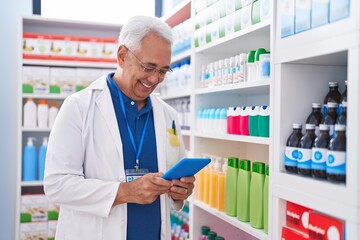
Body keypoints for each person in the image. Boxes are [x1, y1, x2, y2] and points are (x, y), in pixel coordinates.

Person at [44, 15, 195, 240]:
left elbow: (176, 177)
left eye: (163, 71)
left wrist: (180, 191)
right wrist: (124, 192)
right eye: (149, 67)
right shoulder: (79, 107)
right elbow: (57, 185)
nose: (154, 79)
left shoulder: (168, 115)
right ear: (122, 56)